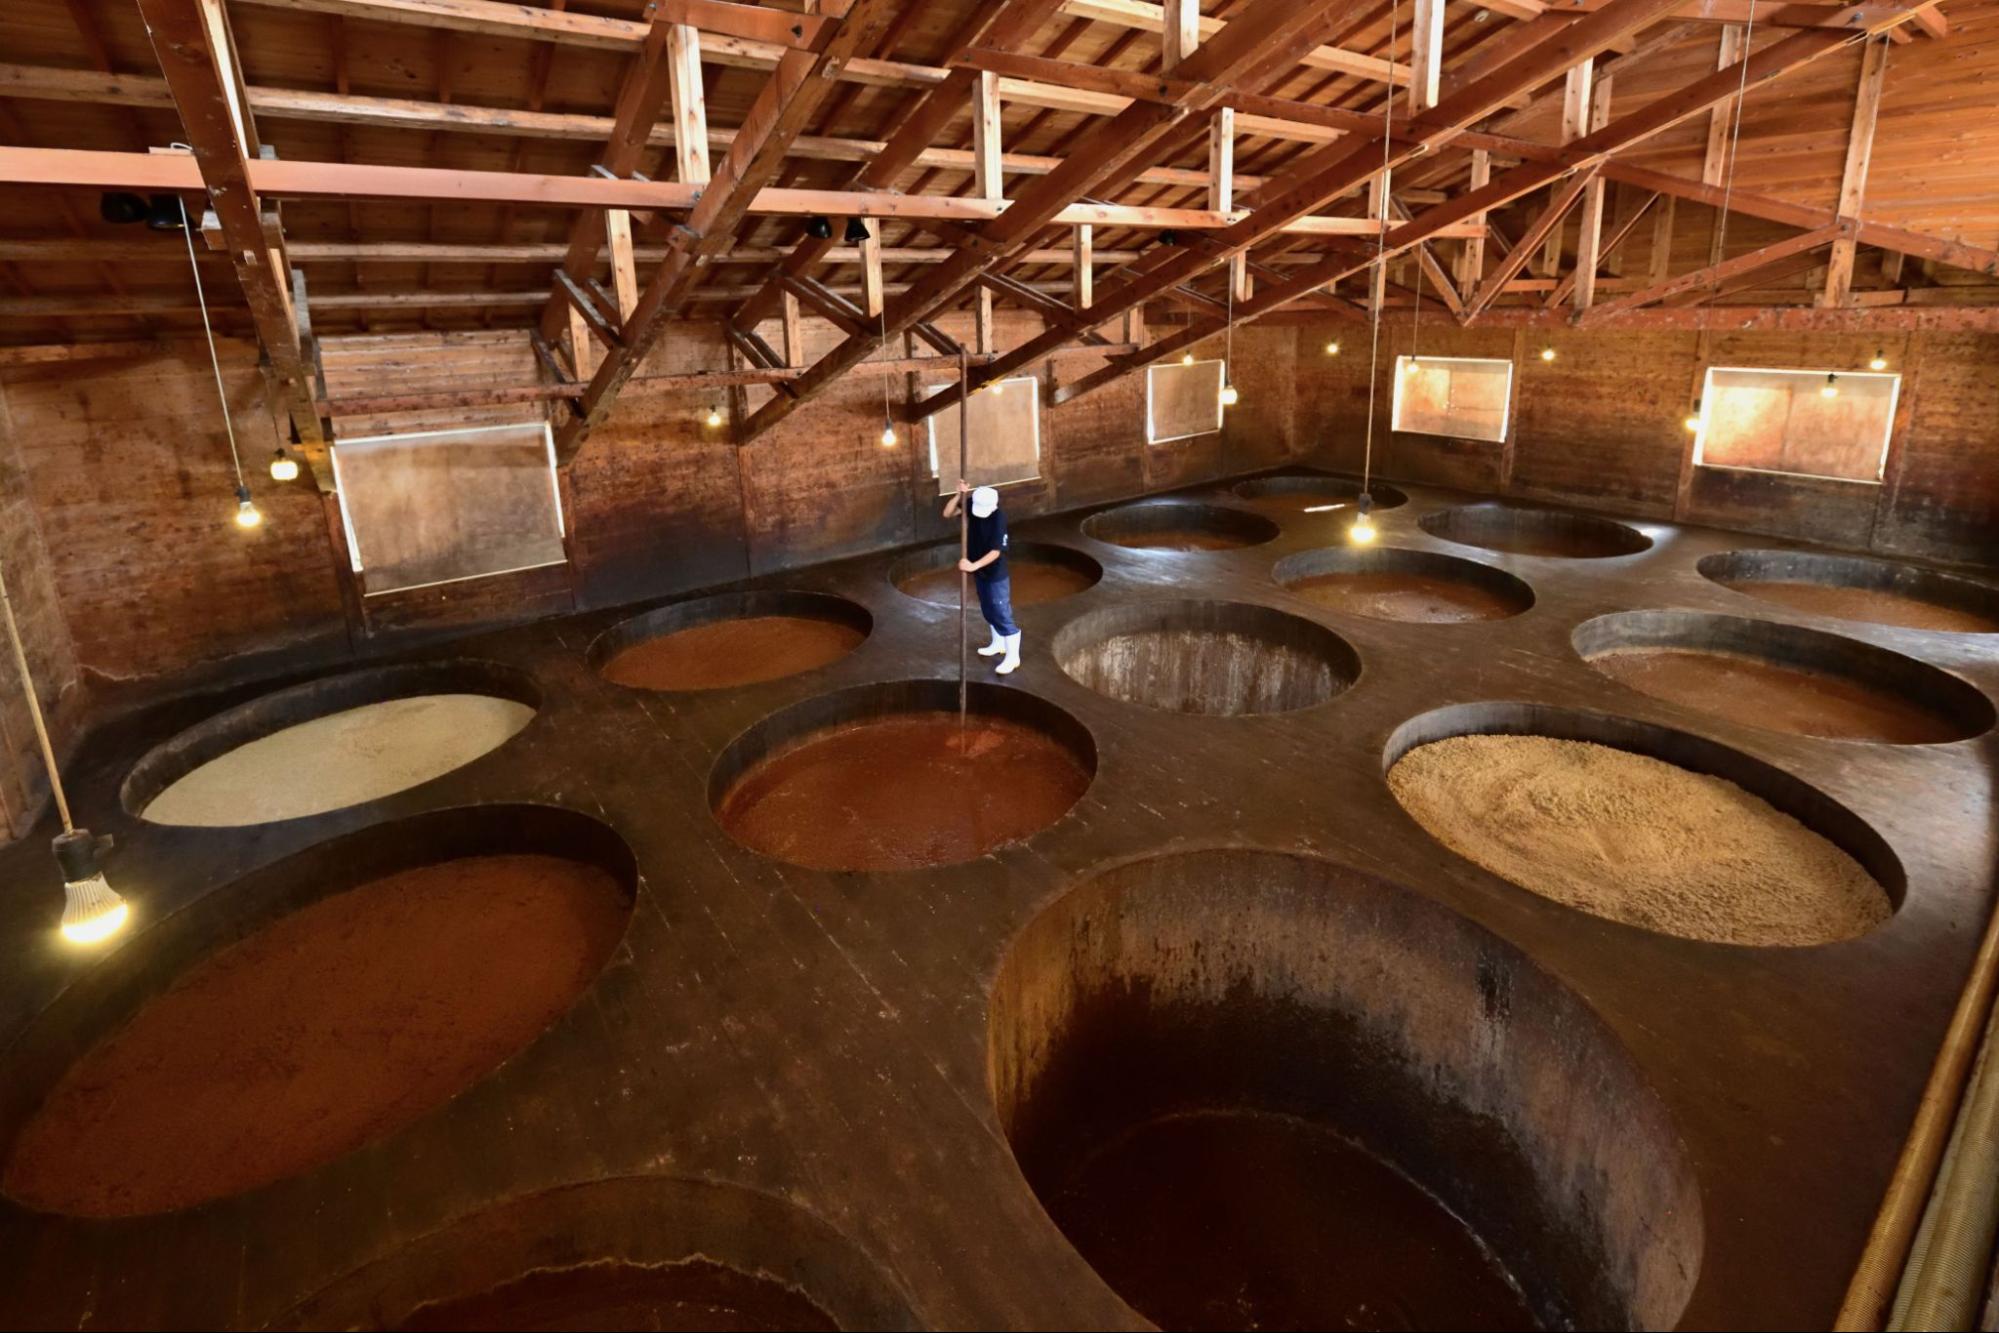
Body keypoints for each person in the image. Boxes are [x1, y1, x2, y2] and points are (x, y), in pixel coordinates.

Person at [943, 480, 1019, 675]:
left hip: (995, 573)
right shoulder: (972, 504)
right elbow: (947, 513)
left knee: (1001, 612)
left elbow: (996, 552)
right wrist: (958, 495)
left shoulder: (998, 518)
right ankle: (998, 643)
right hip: (980, 571)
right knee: (988, 609)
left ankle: (1013, 657)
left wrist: (973, 565)